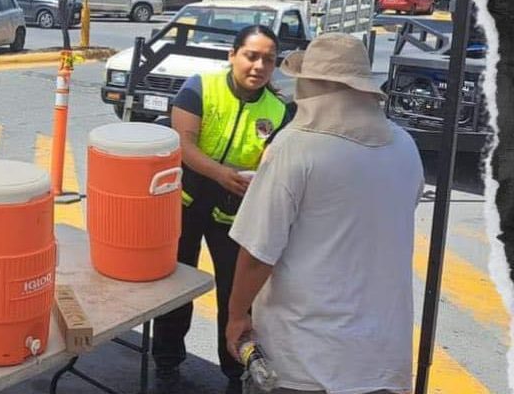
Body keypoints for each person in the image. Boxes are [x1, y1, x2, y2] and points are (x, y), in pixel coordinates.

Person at [226, 33, 424, 394]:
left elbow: (258, 253)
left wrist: (237, 316)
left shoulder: (297, 147)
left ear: (313, 85)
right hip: (381, 357)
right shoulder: (404, 145)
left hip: (304, 359)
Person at [152, 25, 291, 394]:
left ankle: (235, 373)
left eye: (268, 59)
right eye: (251, 55)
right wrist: (221, 174)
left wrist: (256, 177)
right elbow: (181, 142)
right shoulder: (200, 87)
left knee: (237, 298)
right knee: (176, 289)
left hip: (235, 215)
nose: (259, 65)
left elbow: (276, 162)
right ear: (232, 55)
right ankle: (166, 365)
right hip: (185, 204)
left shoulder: (280, 111)